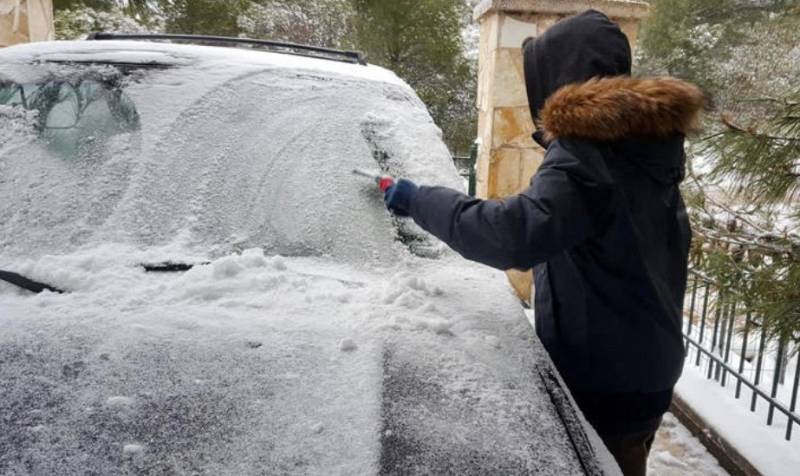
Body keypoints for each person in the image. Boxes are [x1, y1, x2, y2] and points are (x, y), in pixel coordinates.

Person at [382, 10, 706, 476]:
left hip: (607, 377)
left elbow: (511, 235)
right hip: (643, 362)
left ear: (559, 77)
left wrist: (418, 199)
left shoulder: (588, 156)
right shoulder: (645, 146)